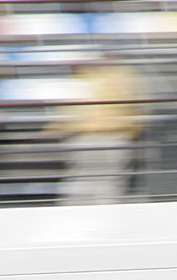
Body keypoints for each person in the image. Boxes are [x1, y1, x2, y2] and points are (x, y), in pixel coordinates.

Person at [44, 56, 144, 205]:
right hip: (100, 138)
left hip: (102, 137)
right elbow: (136, 109)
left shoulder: (93, 77)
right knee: (100, 184)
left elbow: (70, 112)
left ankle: (88, 217)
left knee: (93, 184)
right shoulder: (116, 75)